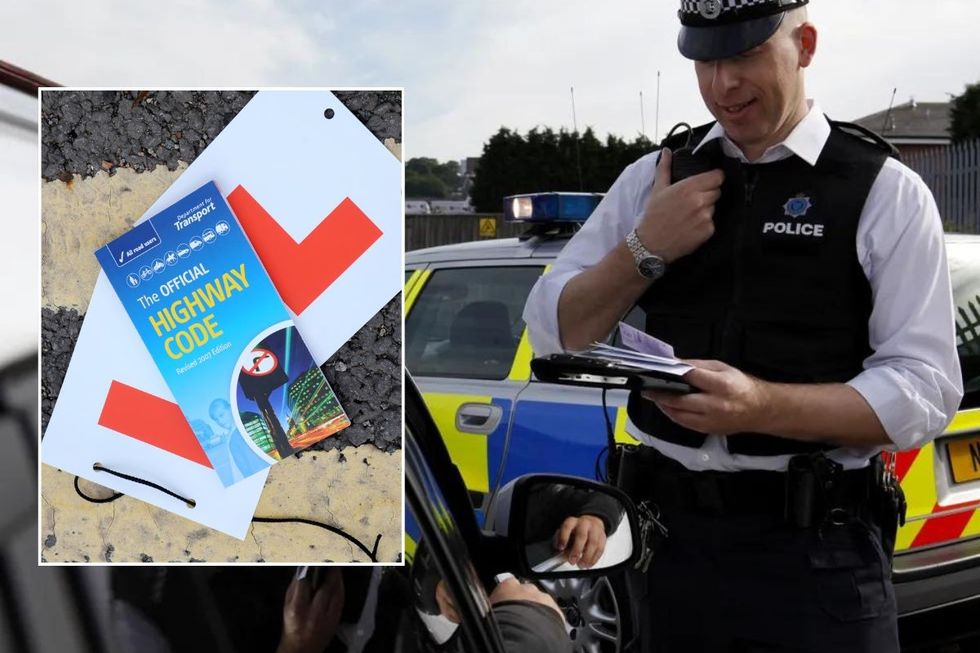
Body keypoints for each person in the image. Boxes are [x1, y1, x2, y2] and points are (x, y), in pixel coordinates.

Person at [523, 1, 963, 651]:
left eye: (745, 55)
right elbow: (554, 331)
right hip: (666, 556)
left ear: (805, 44)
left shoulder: (883, 190)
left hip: (817, 561)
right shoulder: (654, 178)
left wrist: (761, 405)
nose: (721, 84)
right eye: (705, 60)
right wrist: (646, 248)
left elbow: (926, 389)